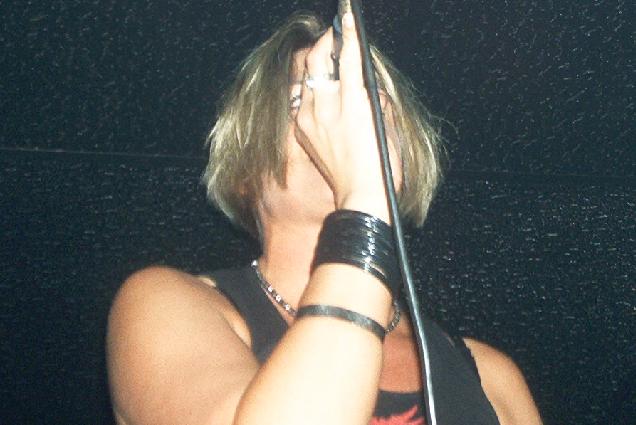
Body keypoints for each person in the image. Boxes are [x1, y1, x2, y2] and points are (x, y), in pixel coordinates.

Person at [107, 11, 543, 425]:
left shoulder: (491, 377)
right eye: (306, 97)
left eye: (368, 101)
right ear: (244, 172)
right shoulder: (166, 306)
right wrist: (364, 203)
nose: (343, 120)